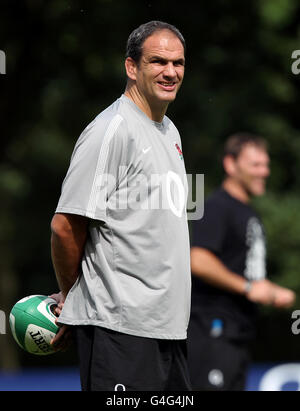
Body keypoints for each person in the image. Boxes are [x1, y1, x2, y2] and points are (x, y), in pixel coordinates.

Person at [49, 21, 192, 391]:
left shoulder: (170, 131)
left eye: (178, 63)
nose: (170, 72)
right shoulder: (112, 129)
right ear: (132, 67)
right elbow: (65, 225)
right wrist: (71, 293)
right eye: (158, 62)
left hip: (168, 330)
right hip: (121, 329)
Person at [187, 133, 295, 391]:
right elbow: (198, 259)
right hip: (212, 331)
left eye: (266, 164)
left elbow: (245, 270)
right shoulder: (218, 207)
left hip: (238, 334)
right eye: (255, 165)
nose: (264, 172)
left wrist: (270, 289)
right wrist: (248, 288)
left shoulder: (248, 212)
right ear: (230, 165)